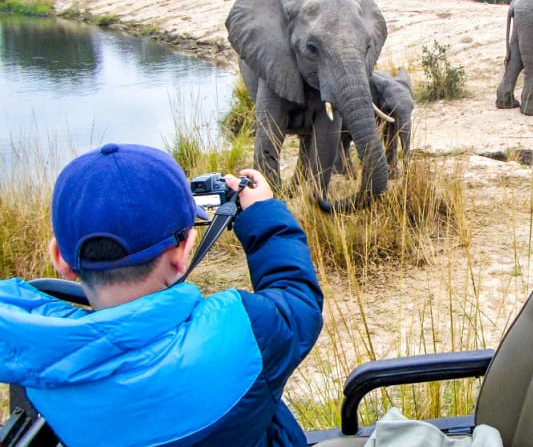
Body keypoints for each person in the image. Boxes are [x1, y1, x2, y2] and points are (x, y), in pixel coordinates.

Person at [0, 143, 324, 446]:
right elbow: (297, 296)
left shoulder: (34, 353)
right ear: (182, 253)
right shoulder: (248, 330)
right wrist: (263, 213)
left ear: (60, 259)